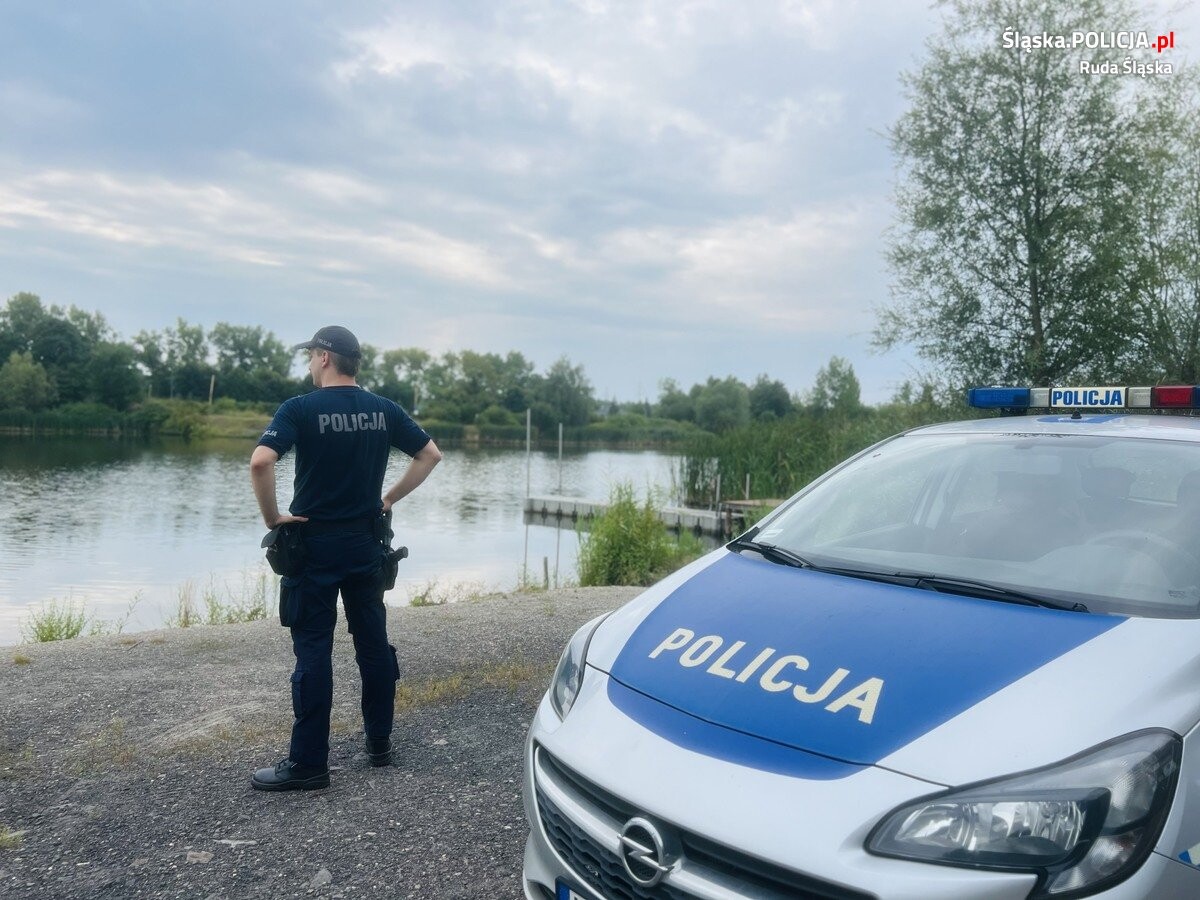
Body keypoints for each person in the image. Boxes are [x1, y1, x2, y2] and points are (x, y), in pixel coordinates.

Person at [249, 325, 442, 791]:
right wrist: (388, 498)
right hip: (365, 545)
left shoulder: (299, 408)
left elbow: (261, 461)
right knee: (373, 644)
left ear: (323, 357)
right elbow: (430, 455)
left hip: (313, 547)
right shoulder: (384, 409)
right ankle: (379, 744)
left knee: (314, 649)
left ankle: (309, 764)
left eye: (311, 356)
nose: (310, 364)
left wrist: (273, 518)